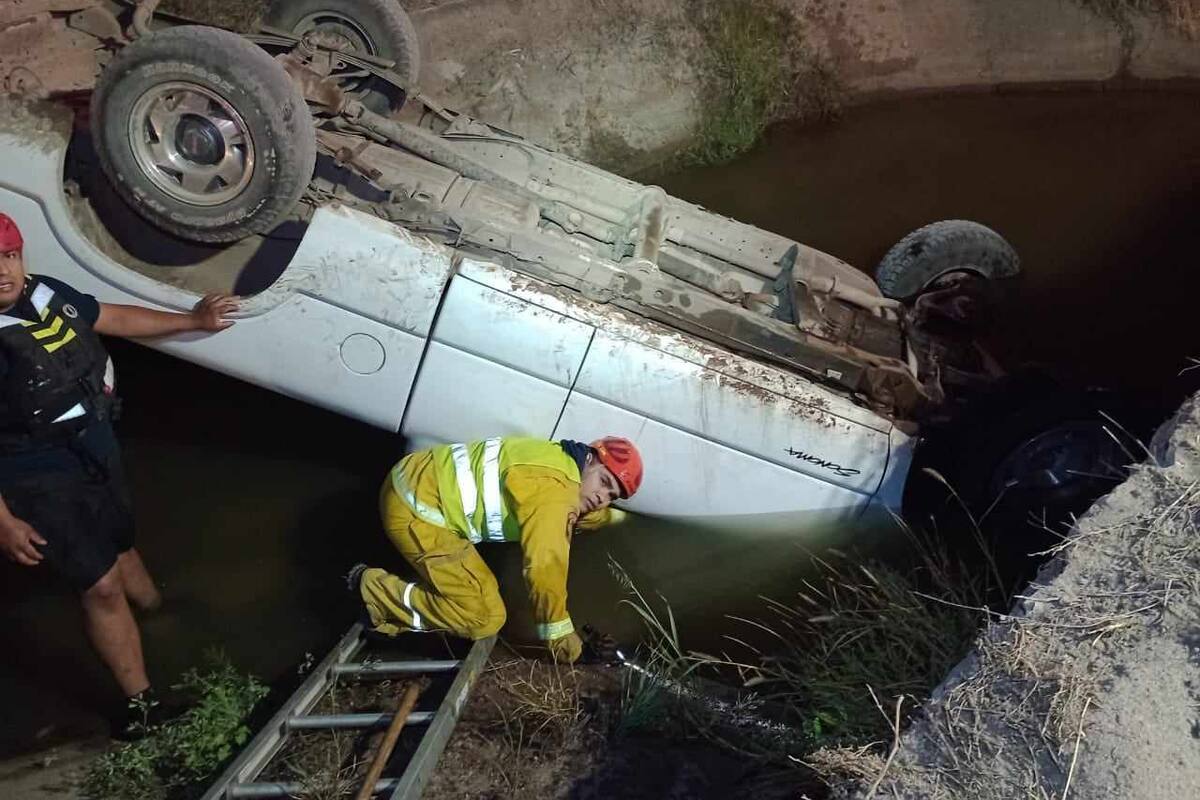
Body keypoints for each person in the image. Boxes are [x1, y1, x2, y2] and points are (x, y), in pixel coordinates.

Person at [0, 212, 238, 733]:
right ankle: (141, 712)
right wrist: (3, 520)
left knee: (122, 542)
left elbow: (111, 318)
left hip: (95, 444)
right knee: (100, 585)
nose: (3, 271)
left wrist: (193, 321)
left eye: (9, 256)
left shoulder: (46, 293)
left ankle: (158, 612)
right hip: (35, 473)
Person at [349, 435, 643, 663]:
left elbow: (581, 510)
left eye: (611, 496)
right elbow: (545, 571)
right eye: (604, 482)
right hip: (417, 511)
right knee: (484, 616)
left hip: (414, 476)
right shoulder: (554, 494)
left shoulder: (559, 461)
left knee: (480, 592)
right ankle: (374, 592)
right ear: (590, 458)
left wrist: (618, 519)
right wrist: (569, 648)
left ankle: (406, 598)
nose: (602, 498)